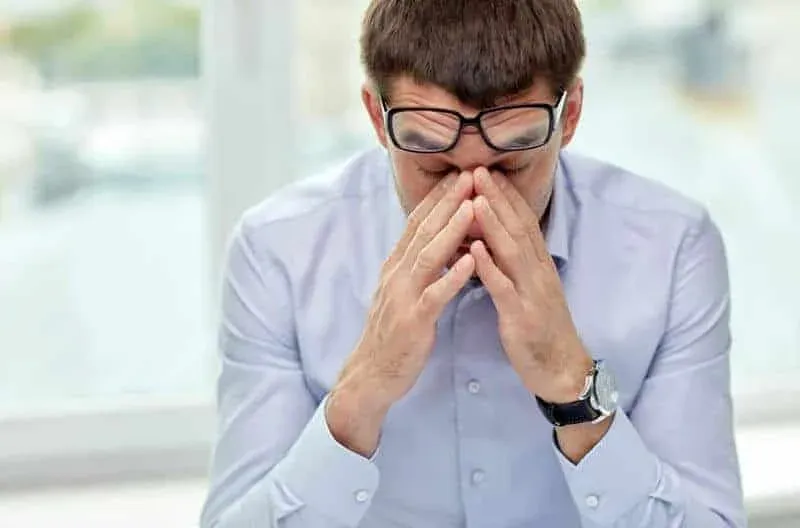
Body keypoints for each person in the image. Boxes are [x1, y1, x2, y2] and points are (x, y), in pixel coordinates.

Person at [200, 1, 745, 527]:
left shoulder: (672, 247)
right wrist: (365, 387)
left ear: (570, 114)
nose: (473, 201)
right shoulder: (277, 250)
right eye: (434, 167)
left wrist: (572, 385)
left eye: (510, 166)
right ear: (375, 115)